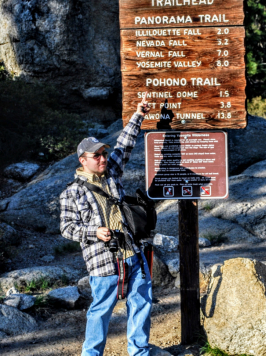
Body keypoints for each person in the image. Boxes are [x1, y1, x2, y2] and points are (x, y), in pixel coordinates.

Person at [59, 94, 151, 356]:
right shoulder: (71, 192)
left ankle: (139, 352)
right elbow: (67, 227)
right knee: (100, 312)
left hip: (133, 252)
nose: (102, 158)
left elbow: (124, 145)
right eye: (96, 155)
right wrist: (93, 232)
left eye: (103, 153)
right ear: (83, 160)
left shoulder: (111, 173)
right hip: (102, 261)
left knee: (141, 303)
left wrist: (139, 115)